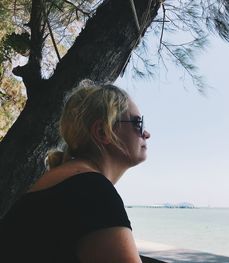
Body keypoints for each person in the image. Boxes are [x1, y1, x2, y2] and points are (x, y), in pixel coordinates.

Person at [0, 80, 150, 263]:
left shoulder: (60, 182)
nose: (146, 133)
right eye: (137, 123)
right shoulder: (92, 192)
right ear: (103, 132)